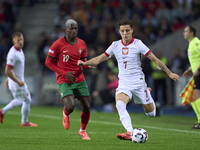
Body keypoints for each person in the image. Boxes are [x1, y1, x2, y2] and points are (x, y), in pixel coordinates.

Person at [77, 18, 179, 140]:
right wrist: (84, 63)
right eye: (122, 31)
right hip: (124, 83)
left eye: (127, 30)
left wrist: (169, 73)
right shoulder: (115, 45)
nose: (125, 33)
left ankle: (147, 92)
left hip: (138, 83)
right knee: (119, 104)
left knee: (151, 114)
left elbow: (155, 59)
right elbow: (99, 59)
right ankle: (129, 132)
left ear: (132, 30)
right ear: (119, 32)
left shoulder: (138, 44)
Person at [45, 19, 92, 140]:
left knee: (86, 106)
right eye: (71, 28)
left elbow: (83, 61)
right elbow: (48, 62)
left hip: (79, 78)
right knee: (70, 106)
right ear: (66, 29)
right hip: (64, 79)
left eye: (75, 28)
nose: (74, 30)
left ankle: (82, 131)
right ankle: (66, 113)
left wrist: (88, 64)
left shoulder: (82, 43)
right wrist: (63, 73)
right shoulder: (58, 44)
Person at [0, 32, 37, 127]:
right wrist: (18, 81)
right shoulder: (13, 54)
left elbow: (12, 69)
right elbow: (7, 70)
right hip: (17, 83)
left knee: (20, 99)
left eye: (22, 40)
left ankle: (2, 111)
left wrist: (9, 79)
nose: (21, 42)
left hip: (15, 82)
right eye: (18, 40)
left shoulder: (19, 50)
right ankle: (24, 122)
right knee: (27, 99)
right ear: (13, 41)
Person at [182, 25, 200, 129]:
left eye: (185, 31)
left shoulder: (196, 43)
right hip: (196, 74)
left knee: (195, 98)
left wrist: (198, 70)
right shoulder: (191, 44)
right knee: (193, 98)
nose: (183, 33)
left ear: (191, 33)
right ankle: (199, 121)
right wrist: (189, 70)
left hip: (199, 73)